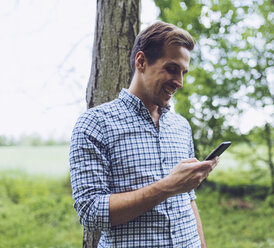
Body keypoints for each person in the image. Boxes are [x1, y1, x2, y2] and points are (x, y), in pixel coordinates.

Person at [69, 21, 219, 248]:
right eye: (171, 68)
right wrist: (168, 186)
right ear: (141, 62)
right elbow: (90, 213)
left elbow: (188, 199)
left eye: (183, 72)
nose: (179, 82)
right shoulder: (94, 124)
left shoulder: (181, 126)